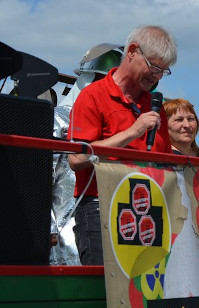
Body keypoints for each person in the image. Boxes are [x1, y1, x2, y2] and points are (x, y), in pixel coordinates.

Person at [67, 25, 177, 265]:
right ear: (132, 52)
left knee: (146, 294)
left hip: (149, 210)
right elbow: (76, 160)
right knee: (102, 295)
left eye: (164, 71)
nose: (157, 76)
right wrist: (133, 132)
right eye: (154, 67)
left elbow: (168, 165)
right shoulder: (92, 96)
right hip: (101, 209)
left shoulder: (156, 106)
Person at [50, 43, 123, 265]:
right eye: (101, 80)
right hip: (65, 237)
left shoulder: (118, 125)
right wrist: (49, 229)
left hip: (112, 229)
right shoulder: (57, 121)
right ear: (86, 78)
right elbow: (40, 182)